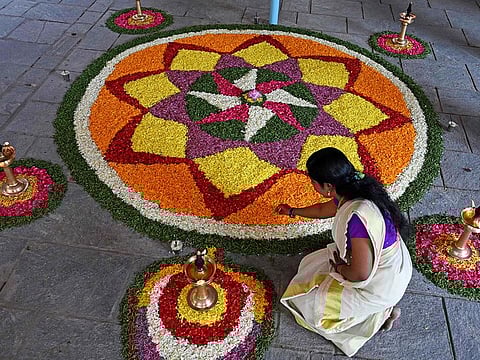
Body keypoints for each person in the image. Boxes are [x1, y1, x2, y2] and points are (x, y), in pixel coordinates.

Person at [277, 147, 412, 357]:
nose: (312, 185)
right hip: (393, 267)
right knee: (310, 264)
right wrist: (293, 211)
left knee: (311, 309)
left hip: (380, 284)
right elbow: (324, 210)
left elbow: (360, 274)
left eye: (313, 181)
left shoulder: (358, 217)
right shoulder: (353, 189)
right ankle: (375, 310)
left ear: (328, 185)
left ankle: (378, 317)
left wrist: (339, 267)